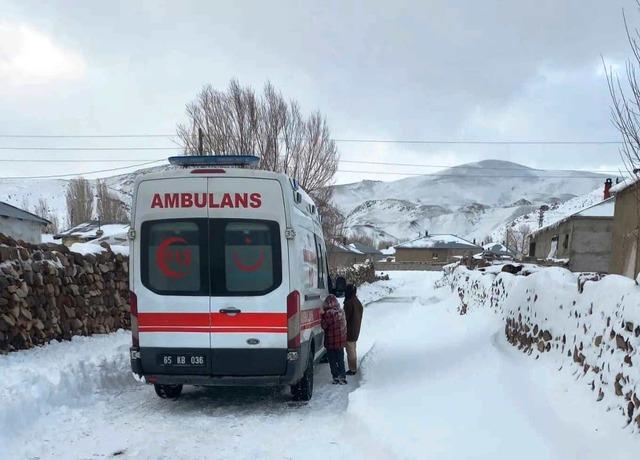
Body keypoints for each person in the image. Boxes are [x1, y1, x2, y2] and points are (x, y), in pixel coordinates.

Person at [321, 294, 347, 384]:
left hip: (331, 342)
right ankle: (342, 376)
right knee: (340, 359)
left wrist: (322, 316)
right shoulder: (341, 312)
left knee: (332, 361)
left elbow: (324, 326)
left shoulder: (328, 314)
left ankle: (335, 377)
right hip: (340, 341)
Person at [343, 284, 364, 375]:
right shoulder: (357, 302)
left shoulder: (349, 303)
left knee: (350, 351)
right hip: (355, 329)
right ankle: (353, 368)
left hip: (349, 331)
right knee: (353, 349)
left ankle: (352, 369)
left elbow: (345, 318)